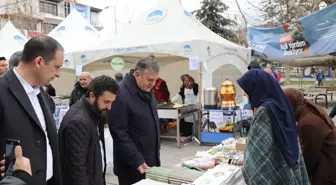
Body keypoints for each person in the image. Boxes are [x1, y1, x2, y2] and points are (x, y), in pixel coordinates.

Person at [0, 35, 63, 185]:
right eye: (57, 67)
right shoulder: (2, 90)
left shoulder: (40, 93)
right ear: (39, 62)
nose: (58, 74)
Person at [237, 69, 309, 185]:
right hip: (287, 166)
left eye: (247, 91)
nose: (246, 94)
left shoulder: (265, 111)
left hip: (274, 171)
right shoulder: (280, 104)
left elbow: (257, 154)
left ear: (257, 88)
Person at [107, 55, 161, 185]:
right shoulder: (120, 95)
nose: (153, 84)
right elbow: (119, 132)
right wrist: (136, 159)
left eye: (155, 80)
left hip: (150, 160)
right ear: (137, 75)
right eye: (150, 80)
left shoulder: (146, 89)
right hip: (131, 166)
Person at [58, 75, 119, 185]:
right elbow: (77, 170)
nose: (109, 107)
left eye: (111, 102)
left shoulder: (92, 113)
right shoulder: (78, 122)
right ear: (92, 96)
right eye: (106, 102)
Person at [284, 88, 336, 185]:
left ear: (290, 104)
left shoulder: (307, 124)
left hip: (327, 175)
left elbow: (307, 160)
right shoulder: (308, 110)